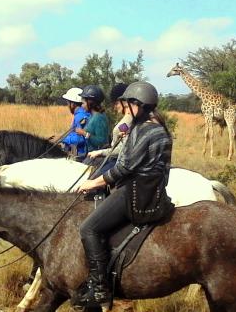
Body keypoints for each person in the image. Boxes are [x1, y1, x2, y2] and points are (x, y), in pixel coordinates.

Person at [74, 81, 175, 308]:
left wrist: (92, 183)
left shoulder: (144, 130)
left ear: (137, 105)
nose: (126, 110)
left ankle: (99, 288)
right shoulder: (161, 128)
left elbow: (123, 169)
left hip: (136, 192)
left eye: (128, 105)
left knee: (88, 228)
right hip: (156, 191)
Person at [86, 83, 132, 177]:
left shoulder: (126, 123)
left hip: (117, 161)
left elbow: (122, 149)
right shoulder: (126, 121)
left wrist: (101, 152)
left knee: (93, 179)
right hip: (114, 157)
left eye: (116, 103)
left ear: (124, 102)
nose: (115, 107)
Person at [75, 85, 110, 157]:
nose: (82, 106)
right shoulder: (92, 116)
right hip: (89, 154)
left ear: (90, 103)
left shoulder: (99, 118)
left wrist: (84, 133)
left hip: (96, 157)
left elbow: (101, 141)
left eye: (83, 103)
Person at [60, 87, 91, 159]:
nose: (67, 105)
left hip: (81, 155)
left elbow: (82, 139)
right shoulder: (81, 114)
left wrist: (62, 139)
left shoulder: (80, 116)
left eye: (68, 103)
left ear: (73, 104)